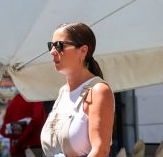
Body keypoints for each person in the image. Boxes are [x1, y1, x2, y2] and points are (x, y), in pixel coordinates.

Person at [40, 22, 114, 156]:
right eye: (51, 46)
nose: (52, 51)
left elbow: (100, 151)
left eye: (59, 45)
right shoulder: (63, 92)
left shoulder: (98, 91)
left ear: (83, 50)